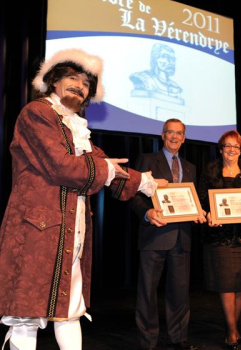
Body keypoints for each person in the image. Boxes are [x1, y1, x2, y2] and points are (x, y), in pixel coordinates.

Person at [0, 48, 164, 350]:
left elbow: (106, 166)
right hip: (35, 231)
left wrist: (147, 183)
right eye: (72, 78)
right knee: (26, 315)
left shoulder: (76, 127)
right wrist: (108, 169)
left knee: (71, 310)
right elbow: (62, 166)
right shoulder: (37, 113)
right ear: (54, 81)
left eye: (86, 83)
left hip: (69, 231)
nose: (80, 86)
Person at [130, 118, 205, 350]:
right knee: (147, 292)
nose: (174, 137)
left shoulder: (190, 167)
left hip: (182, 237)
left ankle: (178, 337)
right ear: (162, 135)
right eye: (170, 132)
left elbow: (192, 200)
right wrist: (147, 213)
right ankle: (147, 341)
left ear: (184, 138)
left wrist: (199, 210)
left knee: (180, 292)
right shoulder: (148, 160)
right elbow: (133, 194)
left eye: (179, 133)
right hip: (154, 234)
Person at [197, 130, 241, 350]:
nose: (231, 150)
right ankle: (232, 331)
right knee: (226, 285)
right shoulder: (211, 170)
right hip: (220, 238)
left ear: (240, 149)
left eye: (236, 146)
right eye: (227, 146)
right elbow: (203, 198)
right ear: (220, 149)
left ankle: (233, 327)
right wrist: (208, 214)